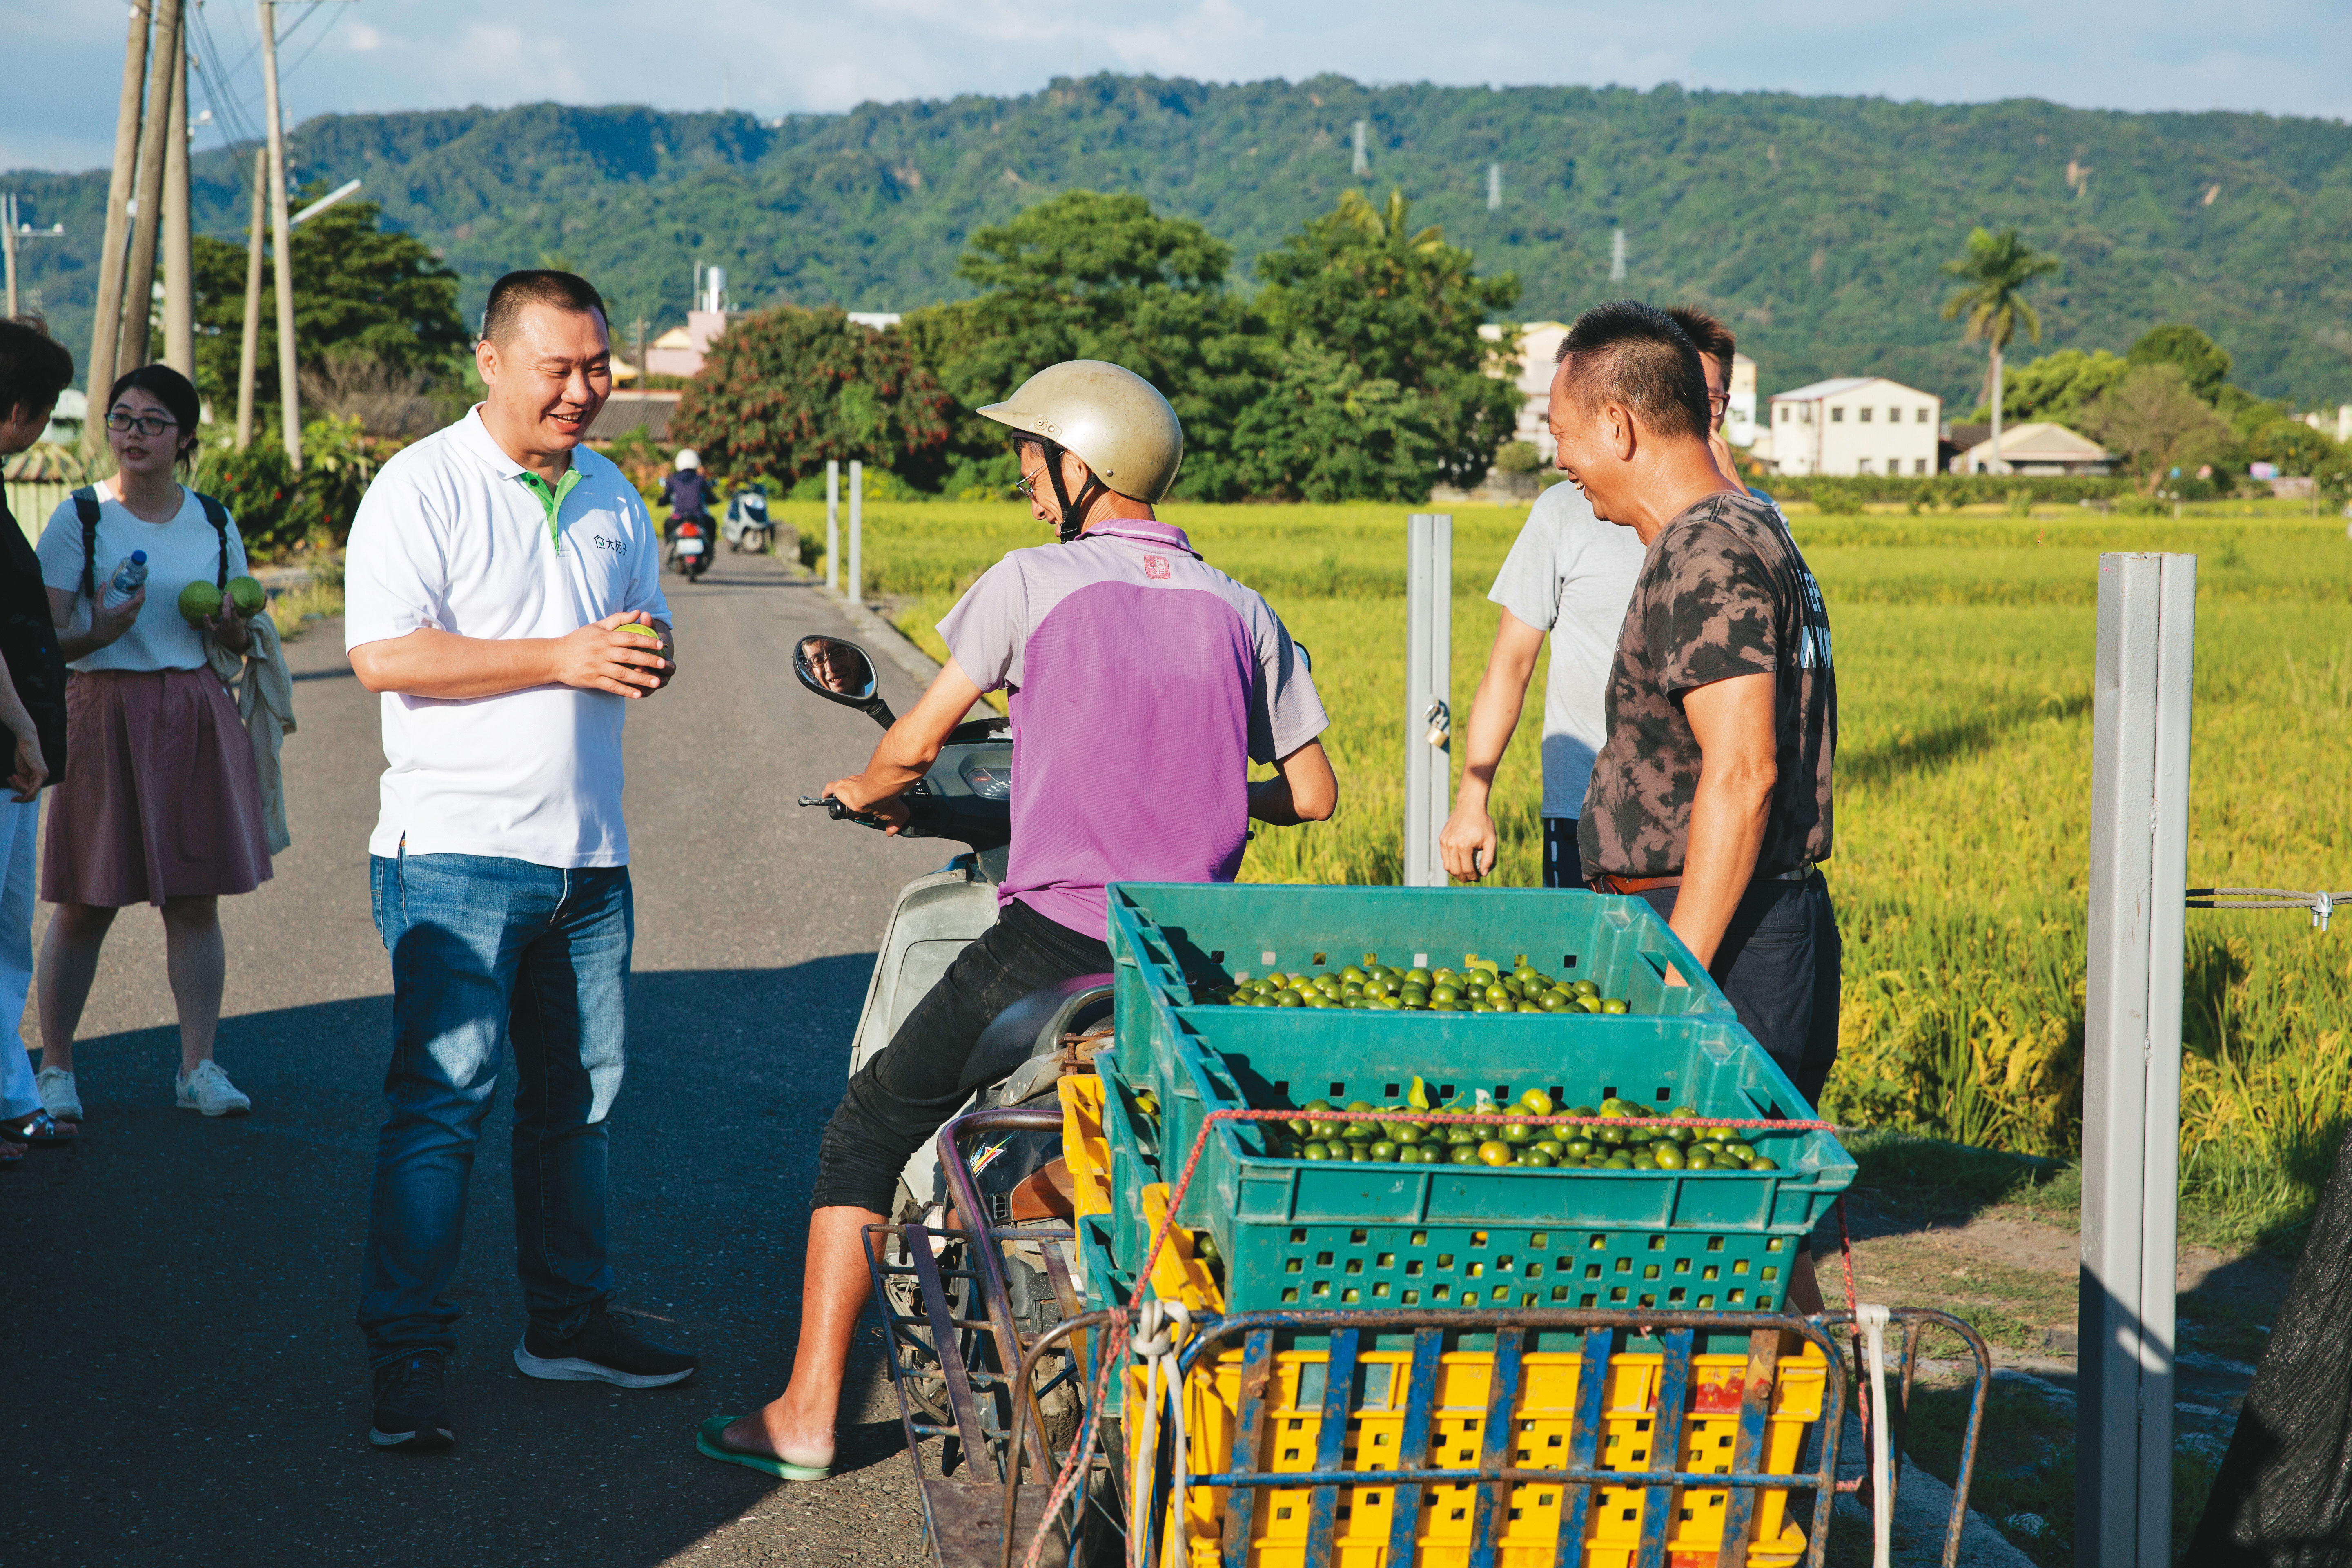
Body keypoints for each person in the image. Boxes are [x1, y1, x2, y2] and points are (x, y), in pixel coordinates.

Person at [699, 358, 1336, 1480]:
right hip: (1183, 953)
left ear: (1082, 464)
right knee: (1162, 1144)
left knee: (866, 1128)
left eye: (1033, 459)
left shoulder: (1031, 582)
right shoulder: (1241, 607)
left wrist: (871, 789)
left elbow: (913, 744)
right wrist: (1204, 793)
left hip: (1057, 940)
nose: (1025, 482)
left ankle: (805, 1415)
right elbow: (1315, 793)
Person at [343, 270, 690, 1454]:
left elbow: (638, 619)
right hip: (455, 854)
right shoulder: (422, 483)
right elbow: (385, 656)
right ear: (490, 361)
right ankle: (408, 1356)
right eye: (560, 368)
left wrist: (648, 649)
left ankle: (568, 1325)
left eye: (599, 367)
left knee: (579, 1108)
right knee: (443, 1108)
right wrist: (561, 655)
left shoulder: (611, 490)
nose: (584, 390)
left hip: (591, 862)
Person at [1549, 301, 1840, 1314]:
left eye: (1562, 433)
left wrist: (1679, 972)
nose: (1562, 460)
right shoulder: (1743, 529)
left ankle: (1791, 1409)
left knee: (1721, 1229)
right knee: (1745, 1234)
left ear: (1618, 425)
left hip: (1721, 928)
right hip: (1734, 920)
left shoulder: (1709, 549)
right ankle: (1797, 1406)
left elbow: (1743, 770)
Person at [33, 362, 270, 1122]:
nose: (133, 434)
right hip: (102, 708)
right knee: (84, 901)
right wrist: (99, 631)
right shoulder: (82, 517)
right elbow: (42, 640)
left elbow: (239, 636)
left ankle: (198, 1067)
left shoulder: (215, 522)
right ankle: (54, 1069)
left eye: (153, 422)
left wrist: (229, 627)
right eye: (122, 419)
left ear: (185, 438)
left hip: (193, 709)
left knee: (195, 901)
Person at [1441, 307, 1746, 890]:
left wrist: (1732, 503)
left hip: (1706, 811)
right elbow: (1511, 664)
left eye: (1711, 401)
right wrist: (1472, 799)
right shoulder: (1566, 510)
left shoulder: (1752, 526)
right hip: (1583, 804)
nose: (1700, 418)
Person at [0, 316, 80, 1163]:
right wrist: (22, 723)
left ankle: (13, 1097)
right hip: (6, 746)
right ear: (18, 408)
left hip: (14, 758)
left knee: (7, 929)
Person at [660, 448, 716, 543]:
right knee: (712, 522)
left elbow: (665, 497)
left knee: (667, 524)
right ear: (697, 462)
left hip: (678, 516)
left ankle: (670, 547)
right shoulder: (700, 479)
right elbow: (710, 497)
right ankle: (710, 548)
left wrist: (661, 502)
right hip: (698, 516)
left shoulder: (674, 479)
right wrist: (715, 501)